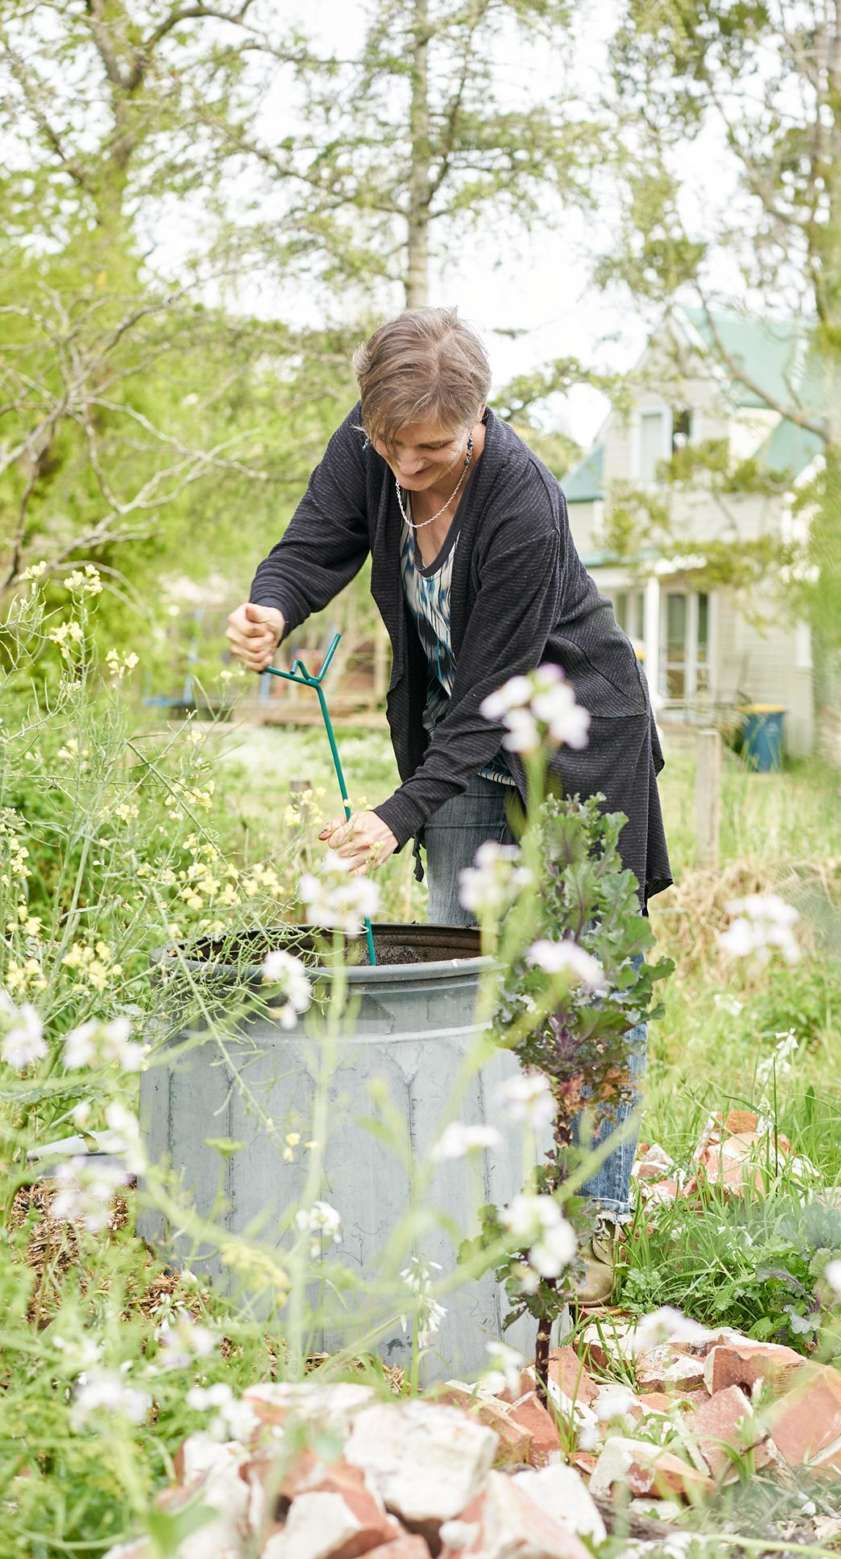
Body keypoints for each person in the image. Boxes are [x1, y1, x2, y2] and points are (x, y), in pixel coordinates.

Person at [227, 306, 672, 1300]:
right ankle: (487, 1194)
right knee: (458, 971)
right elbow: (314, 544)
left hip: (575, 747)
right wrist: (272, 604)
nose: (404, 467)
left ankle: (595, 1220)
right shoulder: (370, 448)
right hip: (460, 749)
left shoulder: (520, 502)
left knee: (589, 984)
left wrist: (394, 816)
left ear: (476, 421)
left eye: (428, 447)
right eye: (388, 443)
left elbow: (488, 694)